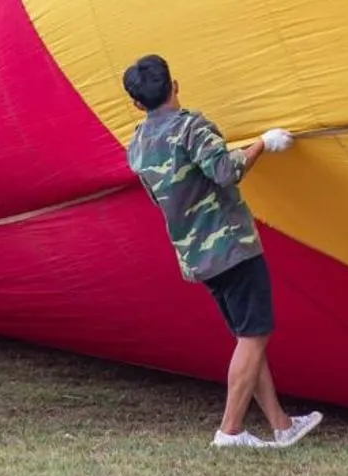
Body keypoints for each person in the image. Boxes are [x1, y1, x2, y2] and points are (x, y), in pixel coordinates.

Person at [122, 52, 322, 450]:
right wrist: (264, 143)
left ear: (136, 103)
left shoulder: (138, 146)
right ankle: (230, 431)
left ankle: (281, 425)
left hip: (197, 255)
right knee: (255, 334)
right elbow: (226, 171)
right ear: (175, 85)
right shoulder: (190, 127)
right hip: (231, 246)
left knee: (248, 337)